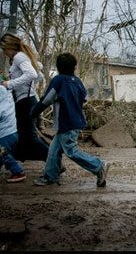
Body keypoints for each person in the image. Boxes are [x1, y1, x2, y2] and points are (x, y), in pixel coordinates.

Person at [30, 52, 109, 187]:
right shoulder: (77, 81)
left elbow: (47, 99)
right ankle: (50, 176)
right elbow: (84, 97)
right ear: (75, 68)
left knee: (71, 151)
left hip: (67, 122)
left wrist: (33, 112)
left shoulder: (58, 80)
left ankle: (98, 166)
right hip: (75, 121)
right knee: (54, 150)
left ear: (59, 68)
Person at [0, 32, 49, 163]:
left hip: (25, 102)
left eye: (4, 49)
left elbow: (32, 74)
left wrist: (9, 84)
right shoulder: (23, 56)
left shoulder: (19, 57)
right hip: (26, 100)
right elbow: (38, 75)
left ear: (9, 47)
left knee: (29, 136)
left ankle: (53, 159)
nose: (4, 53)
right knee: (22, 136)